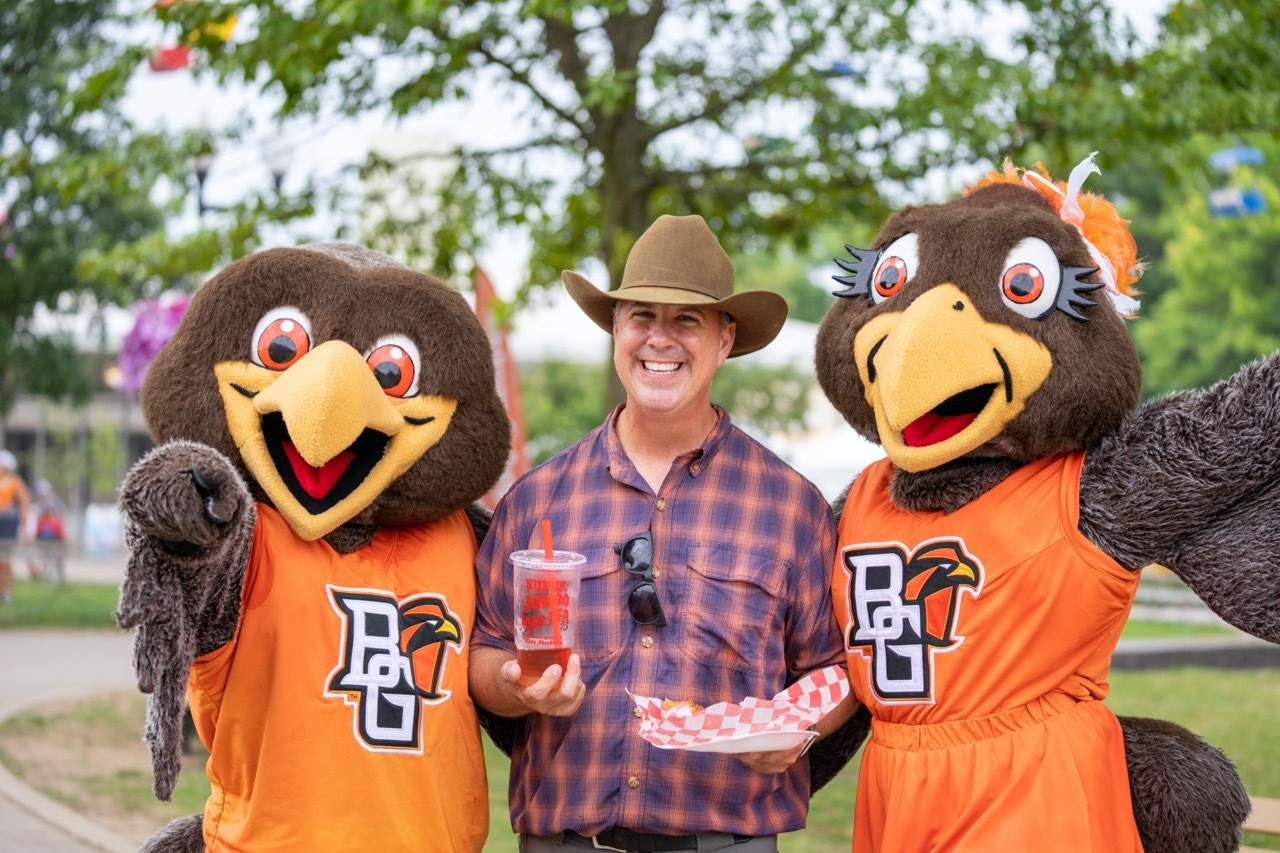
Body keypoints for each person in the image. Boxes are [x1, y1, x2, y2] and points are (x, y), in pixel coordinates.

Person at [471, 214, 856, 852]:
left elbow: (835, 668)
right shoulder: (535, 501)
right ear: (615, 329)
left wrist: (802, 727)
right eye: (641, 316)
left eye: (686, 320)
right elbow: (482, 654)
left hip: (728, 841)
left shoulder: (791, 507)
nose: (660, 339)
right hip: (565, 840)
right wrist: (515, 682)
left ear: (725, 339)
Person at [0, 450, 31, 603]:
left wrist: (24, 527)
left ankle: (6, 592)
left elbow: (24, 504)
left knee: (5, 558)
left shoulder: (14, 482)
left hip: (7, 524)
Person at [29, 479, 66, 583]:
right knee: (43, 556)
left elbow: (60, 522)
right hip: (43, 536)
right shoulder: (39, 506)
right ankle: (42, 573)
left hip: (55, 536)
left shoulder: (55, 503)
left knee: (55, 556)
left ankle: (55, 574)